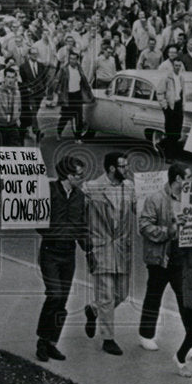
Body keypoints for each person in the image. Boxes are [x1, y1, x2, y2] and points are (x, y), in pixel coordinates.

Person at [34, 155, 92, 362]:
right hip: (50, 251)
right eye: (79, 175)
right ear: (68, 175)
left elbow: (82, 225)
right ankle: (42, 340)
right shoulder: (48, 191)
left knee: (63, 299)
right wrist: (56, 232)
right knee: (54, 295)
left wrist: (88, 250)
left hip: (69, 253)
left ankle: (52, 342)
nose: (82, 178)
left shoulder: (79, 196)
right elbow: (37, 220)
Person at [137, 163, 192, 357]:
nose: (191, 181)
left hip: (181, 256)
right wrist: (169, 230)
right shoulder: (156, 199)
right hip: (161, 256)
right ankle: (146, 334)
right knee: (154, 294)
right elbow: (144, 226)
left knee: (185, 297)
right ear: (177, 179)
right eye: (188, 177)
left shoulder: (190, 199)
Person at [82, 152, 136, 356]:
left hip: (122, 248)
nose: (127, 169)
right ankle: (108, 339)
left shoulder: (129, 187)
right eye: (123, 166)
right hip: (101, 246)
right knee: (105, 294)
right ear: (112, 169)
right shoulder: (92, 188)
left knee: (121, 294)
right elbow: (80, 212)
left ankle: (93, 309)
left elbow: (139, 209)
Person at [156, 58, 185, 159]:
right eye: (176, 66)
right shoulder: (167, 77)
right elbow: (159, 93)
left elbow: (182, 92)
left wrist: (182, 105)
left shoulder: (181, 77)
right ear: (173, 66)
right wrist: (165, 106)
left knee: (177, 133)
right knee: (170, 132)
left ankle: (161, 145)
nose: (177, 68)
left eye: (179, 66)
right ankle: (169, 155)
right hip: (170, 107)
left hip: (178, 106)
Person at [0, 68, 23, 147]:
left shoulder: (17, 92)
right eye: (8, 77)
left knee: (15, 150)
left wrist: (17, 118)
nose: (10, 80)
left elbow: (19, 106)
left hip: (12, 126)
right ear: (4, 78)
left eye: (12, 77)